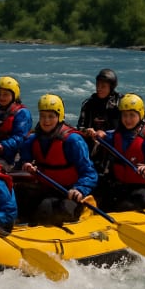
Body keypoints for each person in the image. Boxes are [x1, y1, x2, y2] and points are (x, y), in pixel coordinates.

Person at [17, 94, 97, 226]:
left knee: (49, 207)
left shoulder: (72, 141)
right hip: (47, 188)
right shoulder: (33, 139)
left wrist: (80, 189)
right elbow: (25, 159)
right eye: (43, 116)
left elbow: (89, 173)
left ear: (59, 117)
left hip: (69, 191)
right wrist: (27, 164)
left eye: (51, 116)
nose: (46, 121)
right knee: (20, 194)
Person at [96, 93, 145, 212]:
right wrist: (97, 134)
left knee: (124, 207)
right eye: (125, 115)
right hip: (121, 185)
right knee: (100, 203)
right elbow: (105, 135)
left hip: (144, 188)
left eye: (132, 115)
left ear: (140, 115)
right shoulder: (116, 135)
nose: (128, 119)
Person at [77, 68, 123, 174]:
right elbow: (80, 127)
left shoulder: (120, 102)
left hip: (114, 142)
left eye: (103, 86)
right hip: (93, 142)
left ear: (111, 87)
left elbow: (128, 127)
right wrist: (87, 131)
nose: (99, 89)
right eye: (97, 85)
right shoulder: (88, 103)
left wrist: (106, 134)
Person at [0, 76, 33, 170]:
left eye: (5, 94)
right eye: (0, 94)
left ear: (14, 95)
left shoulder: (22, 113)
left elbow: (20, 138)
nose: (1, 97)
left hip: (14, 157)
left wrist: (2, 145)